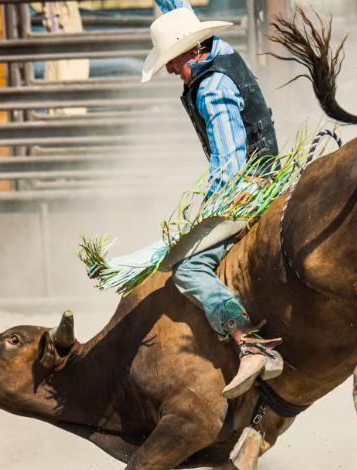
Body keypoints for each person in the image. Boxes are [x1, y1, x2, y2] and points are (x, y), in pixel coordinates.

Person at [141, 0, 283, 399]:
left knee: (187, 268)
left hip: (249, 188)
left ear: (192, 50)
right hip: (270, 173)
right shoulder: (218, 52)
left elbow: (230, 164)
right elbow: (177, 9)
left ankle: (248, 341)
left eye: (172, 60)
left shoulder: (211, 88)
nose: (170, 68)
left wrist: (205, 211)